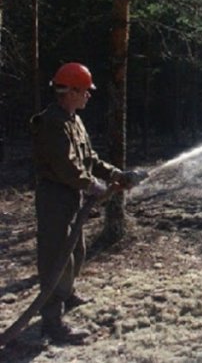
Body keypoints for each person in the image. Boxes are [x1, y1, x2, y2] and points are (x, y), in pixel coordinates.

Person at [30, 62, 138, 344]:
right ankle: (52, 323)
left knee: (76, 249)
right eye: (85, 91)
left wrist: (115, 174)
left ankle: (67, 295)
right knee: (56, 256)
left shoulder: (73, 119)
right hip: (55, 196)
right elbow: (65, 166)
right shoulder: (51, 122)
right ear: (71, 91)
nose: (89, 95)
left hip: (72, 194)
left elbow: (89, 158)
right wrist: (92, 185)